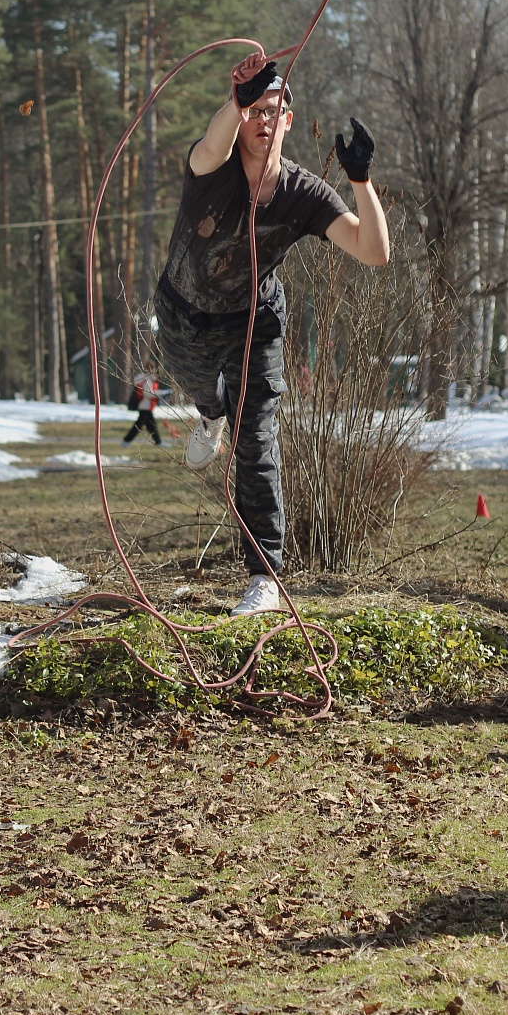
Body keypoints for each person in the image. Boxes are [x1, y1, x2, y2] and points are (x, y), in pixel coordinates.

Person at [153, 49, 390, 617]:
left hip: (256, 320)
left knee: (255, 435)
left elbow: (374, 251)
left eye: (272, 110)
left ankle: (265, 575)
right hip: (185, 312)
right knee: (203, 393)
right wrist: (234, 101)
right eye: (253, 109)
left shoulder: (304, 194)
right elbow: (213, 138)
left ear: (287, 119)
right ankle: (210, 412)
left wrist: (361, 179)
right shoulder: (213, 165)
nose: (262, 119)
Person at [124, 370, 162, 446]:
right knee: (139, 425)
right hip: (145, 405)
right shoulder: (147, 380)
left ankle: (158, 441)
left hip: (145, 406)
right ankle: (126, 441)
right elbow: (147, 393)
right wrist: (160, 393)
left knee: (151, 425)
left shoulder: (144, 379)